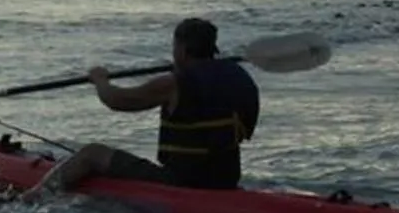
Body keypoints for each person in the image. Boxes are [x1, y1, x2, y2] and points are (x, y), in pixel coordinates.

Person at [40, 17, 258, 193]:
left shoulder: (174, 84)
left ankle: (31, 197)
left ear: (182, 49)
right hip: (225, 180)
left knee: (92, 153)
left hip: (183, 183)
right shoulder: (240, 77)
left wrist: (100, 80)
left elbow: (117, 100)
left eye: (174, 47)